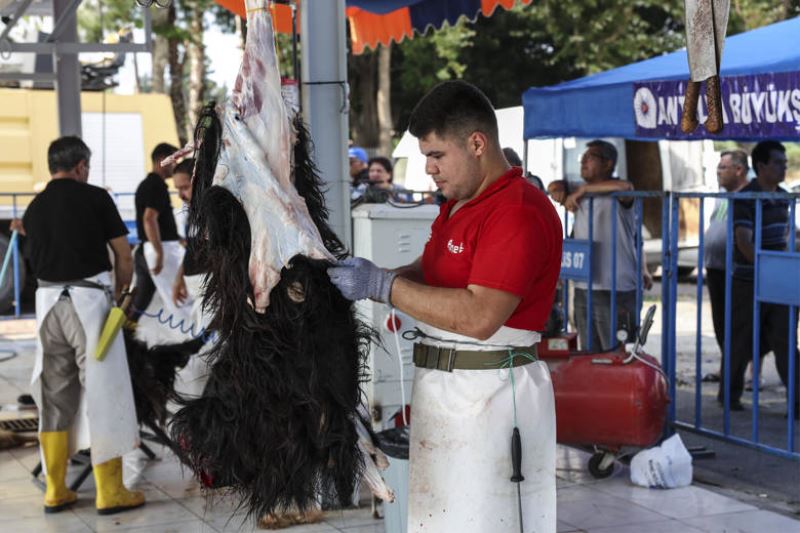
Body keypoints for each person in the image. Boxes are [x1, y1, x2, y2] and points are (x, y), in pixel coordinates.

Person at [328, 80, 562, 532]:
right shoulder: (459, 204)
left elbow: (480, 316)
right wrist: (381, 275)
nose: (430, 170)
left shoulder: (516, 211)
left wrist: (380, 286)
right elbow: (433, 269)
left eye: (437, 156)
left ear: (477, 143)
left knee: (486, 522)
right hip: (446, 393)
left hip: (492, 395)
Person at [20, 136, 144, 514]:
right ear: (81, 166)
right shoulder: (95, 197)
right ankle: (110, 491)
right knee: (104, 390)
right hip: (88, 303)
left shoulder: (34, 207)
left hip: (47, 307)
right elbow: (124, 255)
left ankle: (55, 489)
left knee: (54, 395)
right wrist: (123, 291)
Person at [548, 140, 652, 351]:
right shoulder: (579, 190)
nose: (584, 161)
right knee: (588, 353)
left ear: (608, 164)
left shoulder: (620, 192)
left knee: (615, 352)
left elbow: (626, 187)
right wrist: (559, 188)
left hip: (615, 285)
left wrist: (583, 189)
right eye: (583, 157)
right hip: (584, 286)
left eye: (591, 157)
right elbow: (553, 186)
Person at [724, 140, 799, 414]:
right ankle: (730, 396)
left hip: (778, 280)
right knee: (741, 340)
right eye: (778, 162)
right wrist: (767, 267)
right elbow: (744, 242)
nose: (783, 167)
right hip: (749, 280)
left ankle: (798, 402)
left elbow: (789, 235)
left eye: (784, 162)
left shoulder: (784, 195)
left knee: (786, 340)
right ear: (761, 166)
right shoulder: (746, 198)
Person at [702, 150, 749, 383]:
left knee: (738, 325)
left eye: (723, 168)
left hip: (736, 270)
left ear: (739, 170)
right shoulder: (723, 195)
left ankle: (744, 375)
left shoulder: (749, 196)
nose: (718, 172)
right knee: (721, 324)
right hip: (716, 267)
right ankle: (726, 369)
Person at [131, 142, 181, 320]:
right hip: (159, 248)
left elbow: (157, 221)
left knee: (141, 301)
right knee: (178, 297)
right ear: (162, 160)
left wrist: (179, 238)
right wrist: (159, 252)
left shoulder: (148, 184)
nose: (176, 165)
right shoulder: (155, 185)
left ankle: (127, 333)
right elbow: (149, 219)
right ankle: (196, 340)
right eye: (174, 160)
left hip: (148, 249)